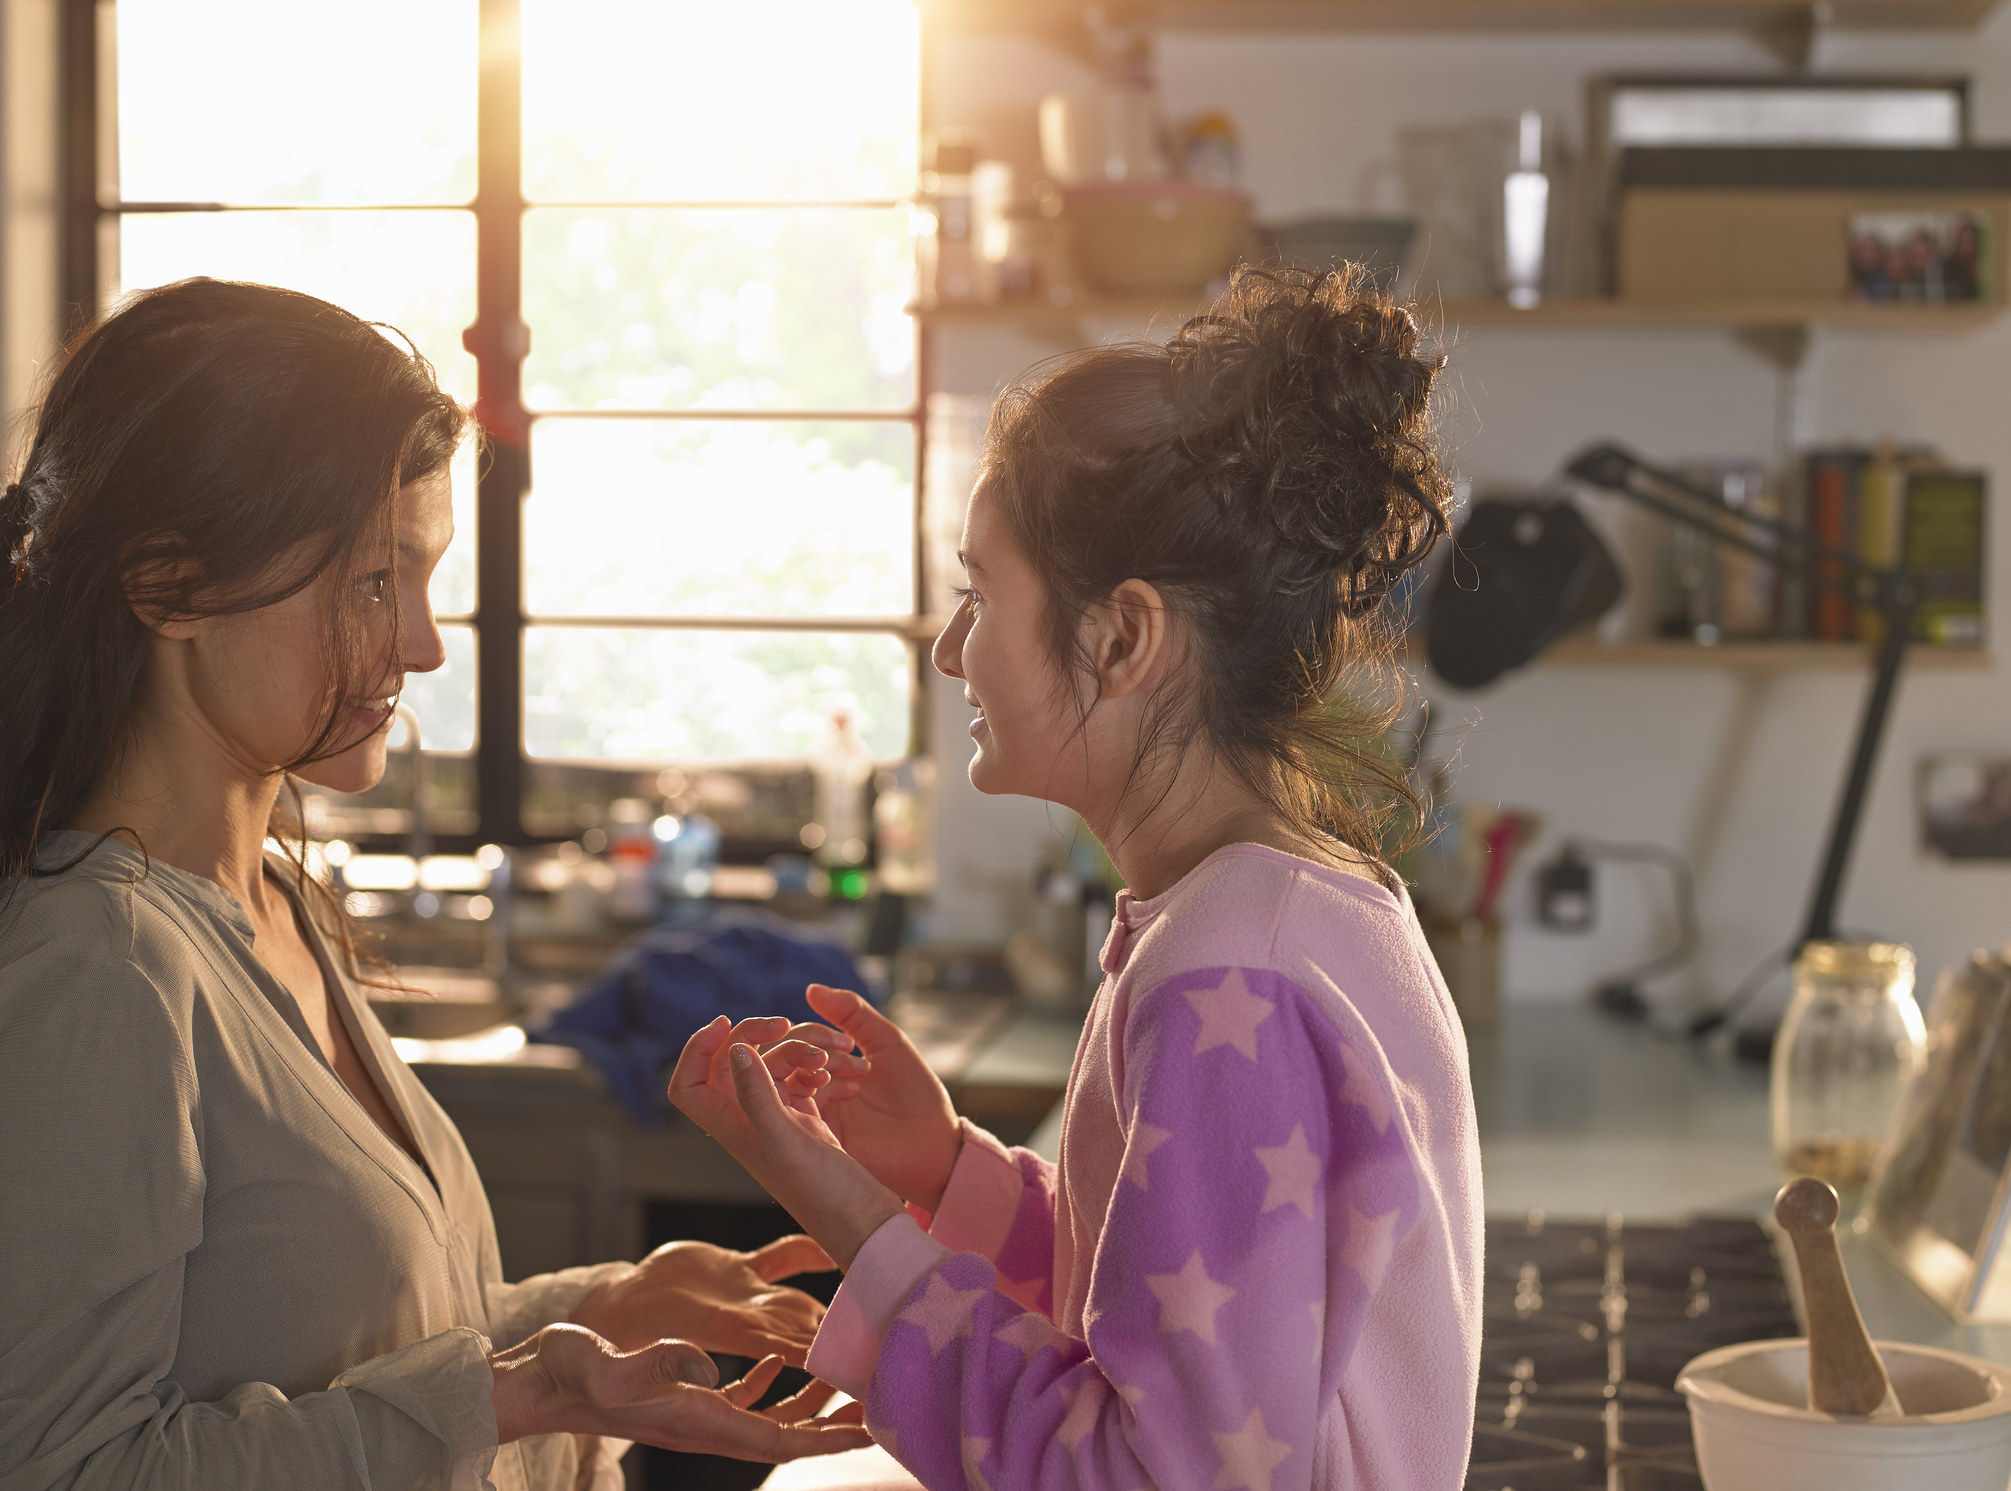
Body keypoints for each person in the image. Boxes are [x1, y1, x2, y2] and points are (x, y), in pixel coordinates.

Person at [0, 278, 870, 1490]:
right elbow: (65, 1471)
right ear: (169, 589)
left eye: (424, 578)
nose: (420, 644)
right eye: (371, 580)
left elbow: (360, 1349)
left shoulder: (273, 910)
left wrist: (599, 1311)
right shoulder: (98, 969)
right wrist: (524, 1396)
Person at [673, 265, 1485, 1489]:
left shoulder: (1227, 976)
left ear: (1121, 637)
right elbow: (1185, 1309)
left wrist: (846, 1214)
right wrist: (947, 1171)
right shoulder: (1307, 902)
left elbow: (1139, 1476)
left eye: (978, 595)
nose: (952, 651)